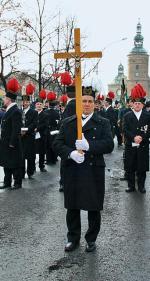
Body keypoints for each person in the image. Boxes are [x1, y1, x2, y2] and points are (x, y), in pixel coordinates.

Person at [53, 88, 114, 252]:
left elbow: (109, 144)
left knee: (93, 206)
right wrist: (70, 153)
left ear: (95, 104)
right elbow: (57, 144)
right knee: (72, 206)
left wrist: (90, 146)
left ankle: (91, 239)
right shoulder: (68, 122)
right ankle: (73, 238)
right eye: (83, 101)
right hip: (72, 169)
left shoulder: (103, 123)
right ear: (79, 103)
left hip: (93, 170)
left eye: (90, 101)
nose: (86, 104)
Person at [123, 83, 150, 193]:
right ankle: (131, 186)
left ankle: (141, 186)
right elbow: (125, 130)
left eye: (139, 103)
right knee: (130, 166)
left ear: (142, 105)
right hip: (131, 145)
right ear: (132, 104)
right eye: (136, 103)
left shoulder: (148, 116)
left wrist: (142, 138)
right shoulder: (127, 116)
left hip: (143, 145)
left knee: (142, 168)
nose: (137, 105)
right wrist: (134, 137)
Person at [0, 78, 23, 190]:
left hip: (11, 143)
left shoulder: (15, 111)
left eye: (5, 98)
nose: (3, 99)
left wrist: (12, 143)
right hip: (5, 142)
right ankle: (7, 182)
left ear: (8, 99)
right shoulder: (9, 110)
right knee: (6, 162)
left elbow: (16, 129)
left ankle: (17, 183)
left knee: (14, 163)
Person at [21, 94, 38, 179]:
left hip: (29, 136)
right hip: (20, 137)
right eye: (24, 101)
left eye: (27, 101)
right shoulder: (19, 111)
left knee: (30, 156)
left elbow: (34, 124)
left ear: (29, 102)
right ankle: (21, 173)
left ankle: (30, 172)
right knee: (21, 156)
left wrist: (26, 130)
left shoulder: (34, 112)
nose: (25, 103)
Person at [35, 98, 49, 172]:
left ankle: (41, 166)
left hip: (41, 135)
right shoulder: (32, 113)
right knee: (32, 152)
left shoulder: (45, 114)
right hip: (32, 135)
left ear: (42, 105)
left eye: (40, 104)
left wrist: (37, 128)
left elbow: (45, 124)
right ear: (35, 105)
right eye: (37, 104)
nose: (39, 106)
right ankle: (32, 167)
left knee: (41, 152)